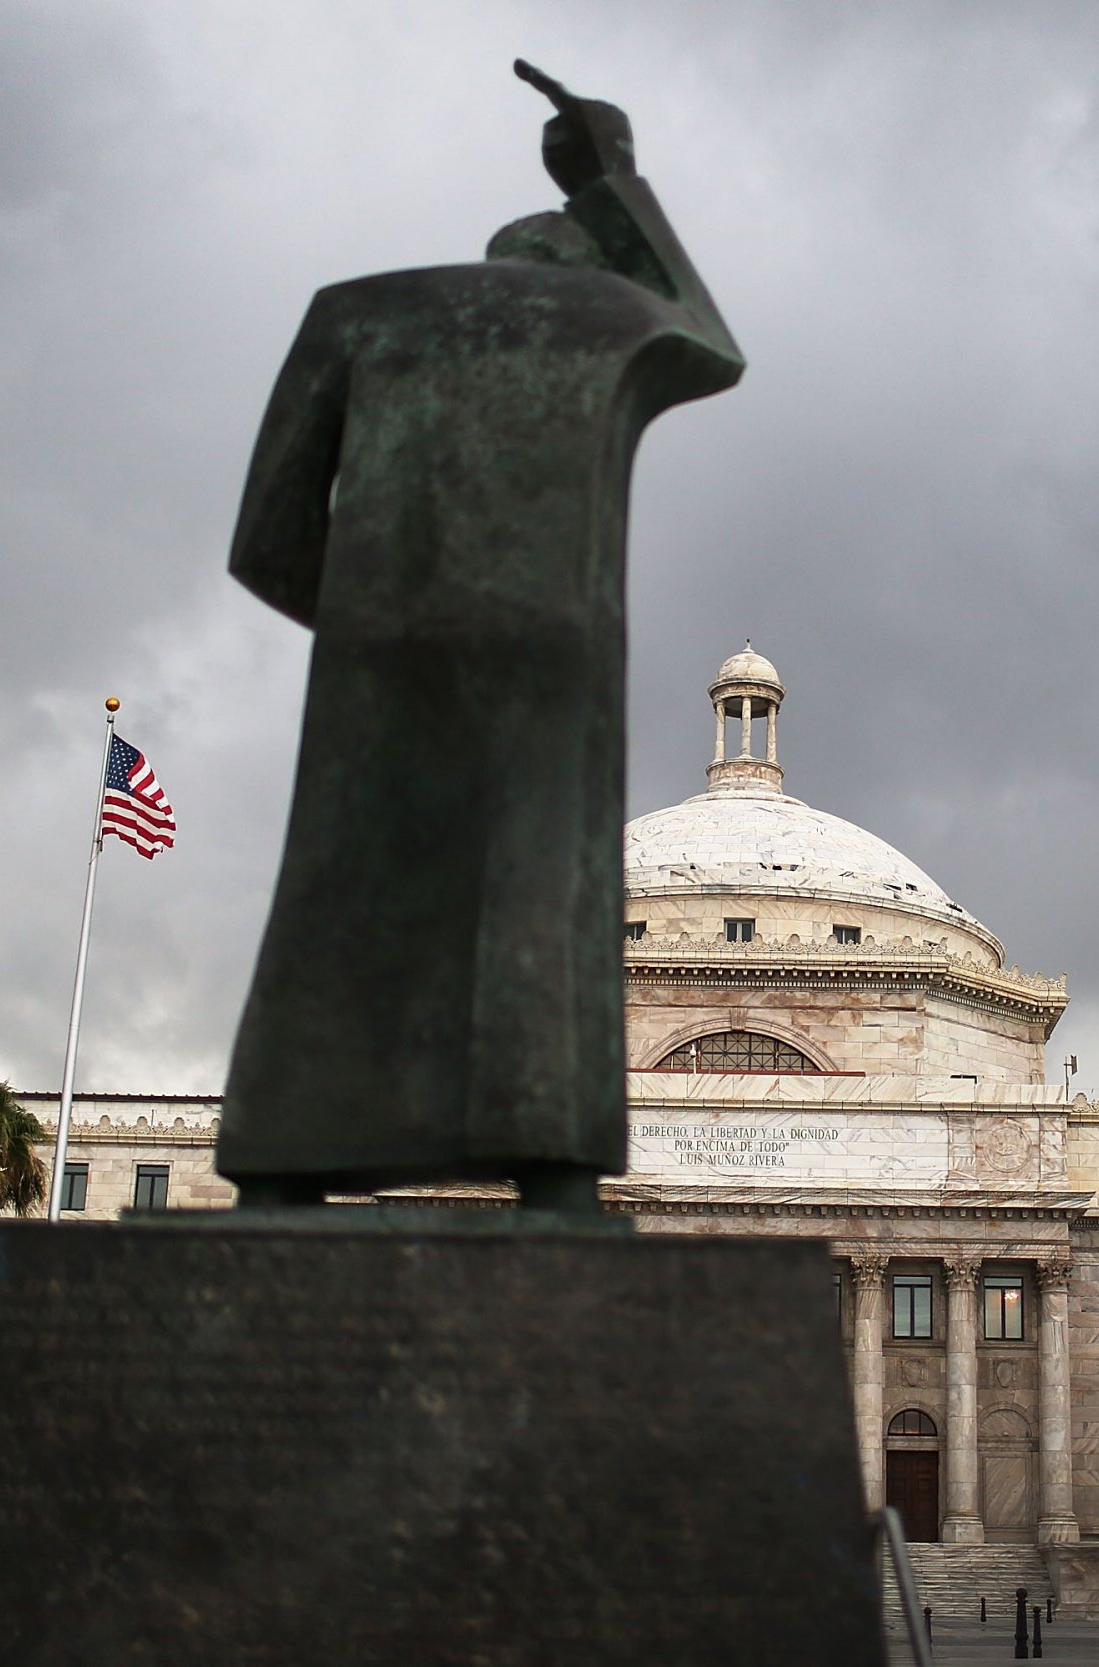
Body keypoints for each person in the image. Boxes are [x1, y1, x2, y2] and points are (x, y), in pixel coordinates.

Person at [218, 63, 744, 1208]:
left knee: (339, 890)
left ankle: (283, 1169)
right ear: (582, 263)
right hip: (548, 656)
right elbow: (713, 343)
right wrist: (612, 178)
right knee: (539, 897)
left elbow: (262, 538)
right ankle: (551, 1176)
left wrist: (375, 626)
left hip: (373, 646)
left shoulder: (354, 310)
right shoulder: (612, 315)